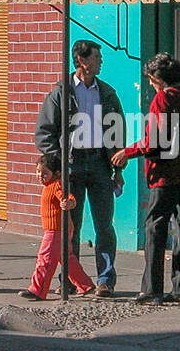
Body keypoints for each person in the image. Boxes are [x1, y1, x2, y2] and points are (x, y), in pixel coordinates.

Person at [111, 51, 180, 305]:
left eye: (151, 81)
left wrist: (127, 152)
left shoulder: (162, 100)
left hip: (165, 178)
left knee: (155, 230)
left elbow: (153, 141)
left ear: (157, 79)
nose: (151, 85)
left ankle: (152, 290)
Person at [34, 39, 125, 296]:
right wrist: (58, 163)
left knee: (104, 225)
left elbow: (117, 131)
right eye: (96, 57)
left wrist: (118, 168)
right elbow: (44, 133)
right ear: (82, 62)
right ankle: (70, 280)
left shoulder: (107, 93)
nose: (101, 62)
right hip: (70, 166)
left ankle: (105, 279)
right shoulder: (61, 93)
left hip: (99, 163)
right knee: (70, 226)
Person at [20, 154, 96, 301]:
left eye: (44, 173)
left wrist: (69, 203)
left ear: (57, 174)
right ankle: (85, 285)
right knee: (67, 259)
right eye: (38, 172)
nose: (40, 176)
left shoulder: (56, 185)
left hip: (55, 230)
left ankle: (38, 290)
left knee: (45, 259)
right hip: (60, 229)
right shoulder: (48, 186)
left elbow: (69, 198)